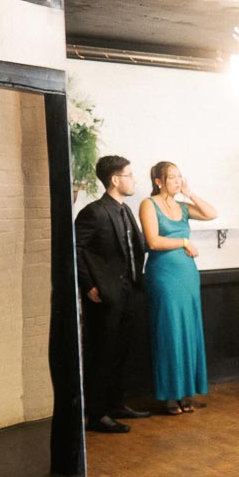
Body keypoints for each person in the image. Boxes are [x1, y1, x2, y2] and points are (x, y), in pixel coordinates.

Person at [75, 156, 151, 433]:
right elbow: (76, 249)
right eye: (129, 175)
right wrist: (88, 285)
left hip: (129, 291)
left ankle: (117, 404)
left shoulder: (126, 210)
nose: (134, 180)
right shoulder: (94, 212)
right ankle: (97, 415)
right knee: (101, 353)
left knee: (121, 352)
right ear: (115, 180)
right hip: (104, 295)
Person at [139, 161, 216, 415]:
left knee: (188, 331)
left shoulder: (182, 207)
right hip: (163, 275)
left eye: (179, 177)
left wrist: (190, 192)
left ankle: (186, 392)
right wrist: (183, 240)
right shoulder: (148, 204)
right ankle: (169, 395)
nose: (177, 181)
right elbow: (153, 240)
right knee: (169, 331)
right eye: (172, 177)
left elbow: (211, 213)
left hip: (187, 276)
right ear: (158, 181)